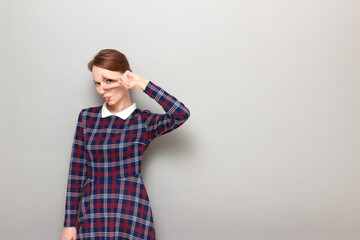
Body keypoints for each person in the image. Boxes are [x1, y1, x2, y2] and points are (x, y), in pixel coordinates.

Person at [61, 49, 190, 240]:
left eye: (108, 81)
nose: (101, 89)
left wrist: (143, 84)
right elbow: (77, 172)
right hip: (93, 213)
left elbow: (181, 114)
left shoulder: (143, 121)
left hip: (131, 211)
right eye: (97, 83)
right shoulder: (87, 118)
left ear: (125, 77)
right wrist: (69, 224)